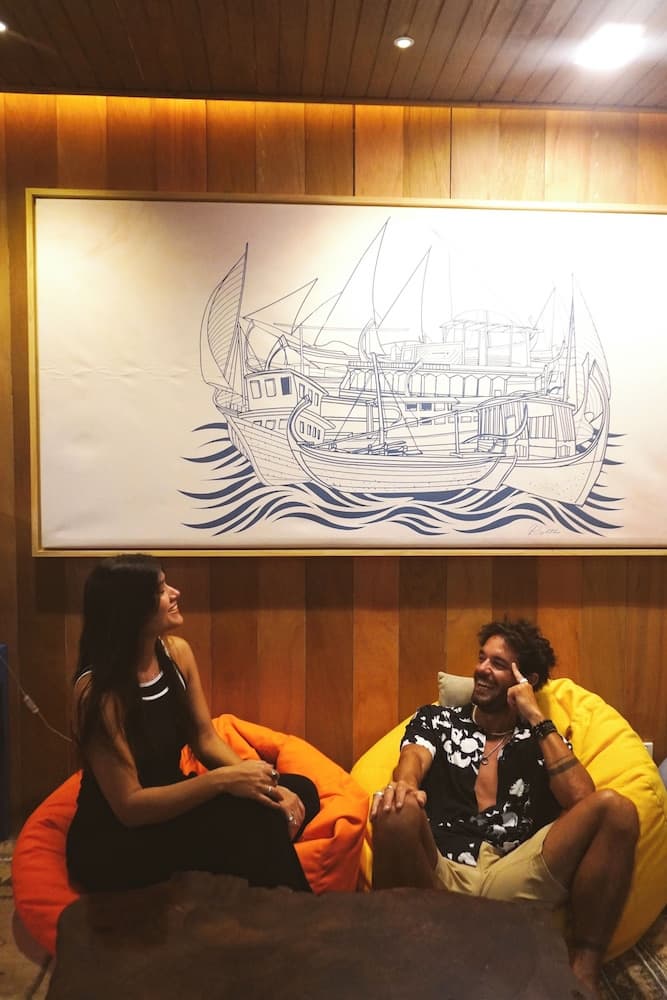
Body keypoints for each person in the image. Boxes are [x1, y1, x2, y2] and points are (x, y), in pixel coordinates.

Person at [370, 618, 639, 996]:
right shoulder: (438, 719)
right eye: (482, 658)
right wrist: (406, 786)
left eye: (497, 663)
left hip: (515, 871)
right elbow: (413, 757)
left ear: (524, 680)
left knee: (618, 810)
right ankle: (396, 963)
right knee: (395, 810)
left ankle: (584, 972)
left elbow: (581, 798)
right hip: (441, 871)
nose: (481, 669)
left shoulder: (540, 737)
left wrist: (536, 717)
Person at [66, 553, 319, 894]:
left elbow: (204, 738)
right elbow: (130, 807)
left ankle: (254, 879)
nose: (175, 593)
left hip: (175, 801)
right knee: (257, 822)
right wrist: (222, 781)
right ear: (131, 609)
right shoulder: (98, 693)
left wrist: (265, 787)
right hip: (118, 839)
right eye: (161, 590)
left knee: (300, 790)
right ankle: (300, 914)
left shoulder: (176, 653)